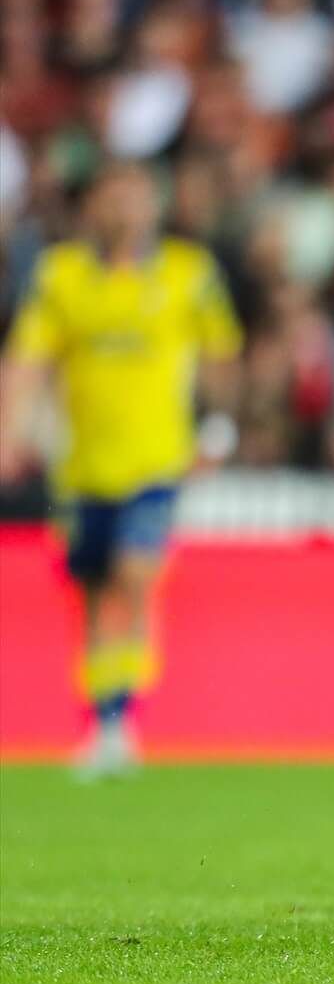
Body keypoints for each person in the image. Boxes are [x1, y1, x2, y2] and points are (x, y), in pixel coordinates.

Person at [0, 163, 241, 777]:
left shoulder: (188, 273)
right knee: (90, 592)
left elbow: (222, 354)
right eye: (114, 198)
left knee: (134, 576)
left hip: (157, 461)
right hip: (82, 467)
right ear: (94, 208)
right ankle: (103, 717)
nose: (126, 210)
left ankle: (120, 720)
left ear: (154, 206)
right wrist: (9, 433)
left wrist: (220, 426)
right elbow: (27, 359)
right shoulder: (60, 276)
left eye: (136, 198)